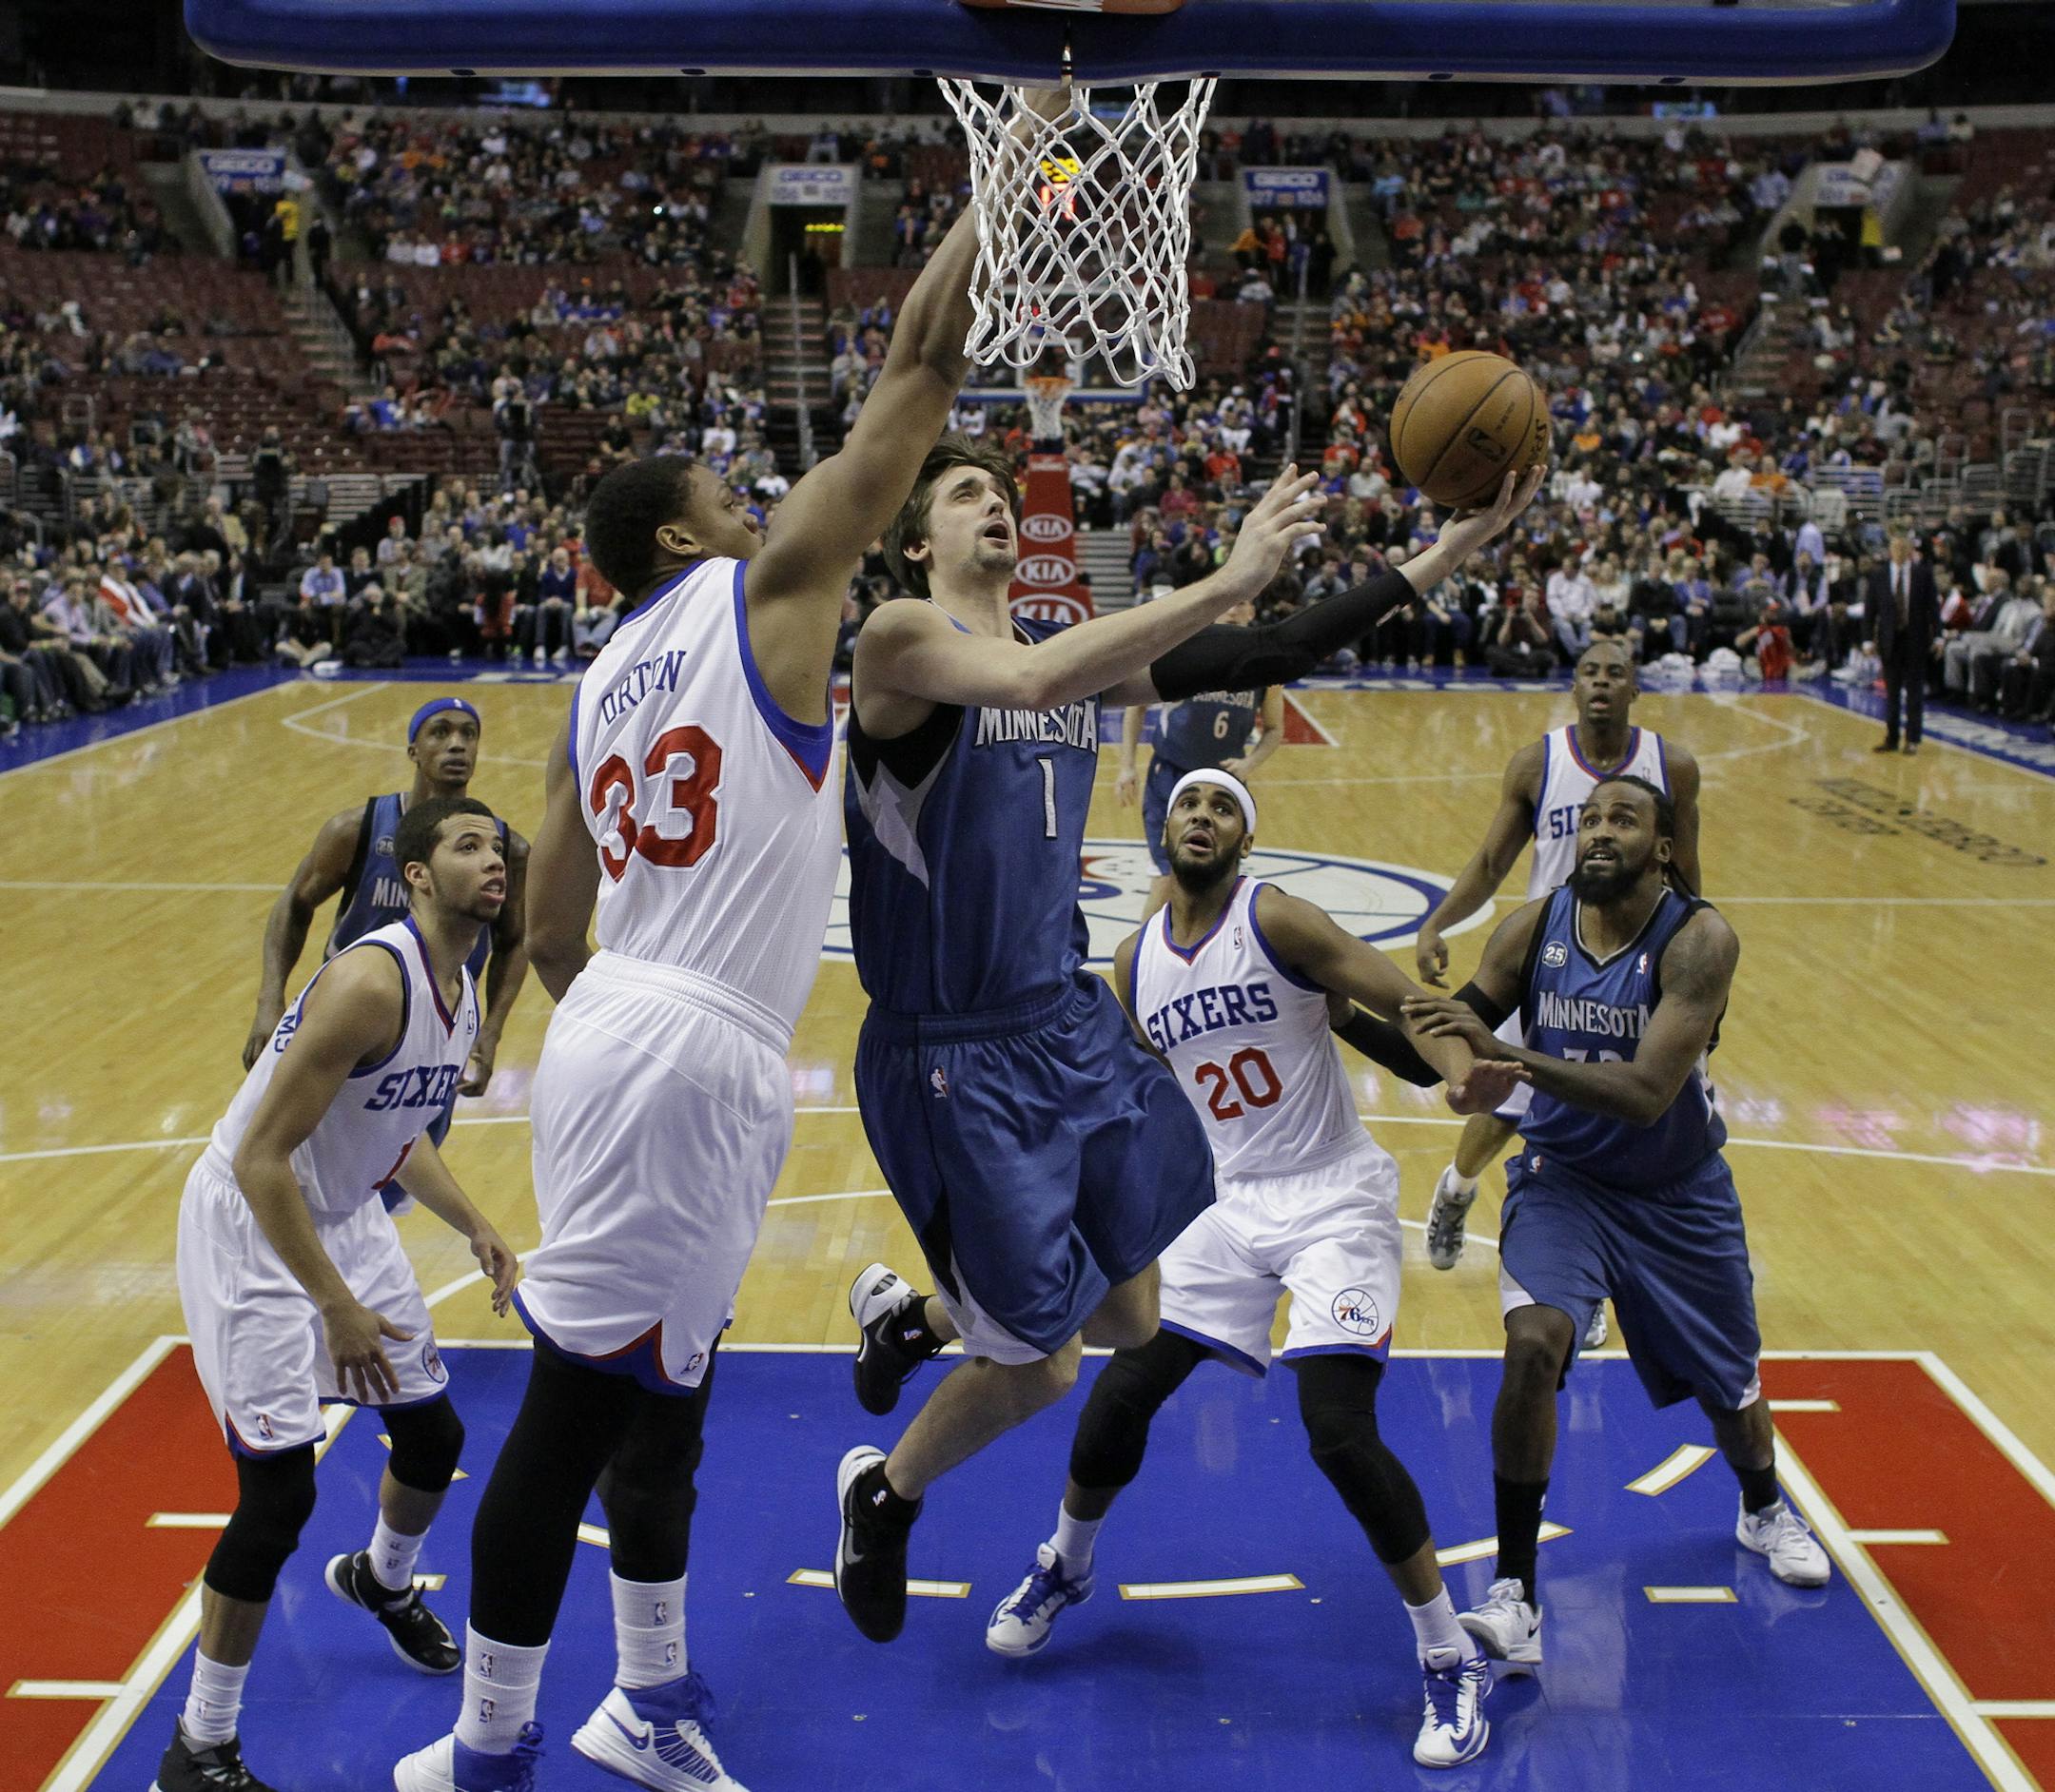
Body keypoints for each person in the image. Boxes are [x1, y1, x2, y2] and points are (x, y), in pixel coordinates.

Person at [396, 165, 1028, 1792]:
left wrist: (607, 1012)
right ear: (682, 530)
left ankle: (648, 1695)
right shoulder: (765, 590)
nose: (763, 497)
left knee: (664, 1398)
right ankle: (489, 1740)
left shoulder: (594, 680)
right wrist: (1014, 180)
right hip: (692, 1042)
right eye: (731, 488)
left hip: (632, 1021)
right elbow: (921, 374)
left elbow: (545, 929)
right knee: (569, 1412)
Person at [833, 451, 1546, 1647]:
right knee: (1051, 1367)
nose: (994, 501)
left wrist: (1450, 551)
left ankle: (917, 1322)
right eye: (962, 494)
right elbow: (1029, 673)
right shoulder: (902, 639)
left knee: (1131, 1314)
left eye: (1002, 490)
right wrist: (1225, 578)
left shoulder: (1060, 661)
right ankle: (884, 1495)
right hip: (950, 1051)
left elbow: (1262, 655)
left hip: (1059, 1022)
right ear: (916, 545)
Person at [981, 768, 1516, 1770]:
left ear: (1244, 839)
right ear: (1164, 829)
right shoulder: (1136, 963)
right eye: (1189, 803)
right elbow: (1130, 1094)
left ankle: (1449, 1656)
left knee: (1338, 1430)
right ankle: (1066, 1563)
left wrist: (1456, 1067)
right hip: (1221, 1205)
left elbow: (1405, 999)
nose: (1202, 816)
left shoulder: (1278, 919)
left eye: (1223, 807)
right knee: (1120, 1393)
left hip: (1331, 1198)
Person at [1401, 775, 1830, 1675]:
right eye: (1590, 818)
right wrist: (1360, 1016)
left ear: (1664, 847)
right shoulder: (1532, 924)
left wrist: (1509, 1058)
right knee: (1534, 1346)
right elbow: (1453, 1025)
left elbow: (1642, 1095)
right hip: (1563, 1182)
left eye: (1623, 819)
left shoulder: (1699, 939)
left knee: (1731, 1387)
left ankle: (1761, 1507)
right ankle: (1515, 1594)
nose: (1599, 831)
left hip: (1677, 1190)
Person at [160, 797, 519, 1792]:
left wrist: (476, 1223)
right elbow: (263, 1159)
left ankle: (381, 1579)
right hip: (253, 1219)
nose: (493, 861)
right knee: (278, 1496)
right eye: (467, 845)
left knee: (434, 1438)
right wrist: (333, 1304)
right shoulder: (371, 980)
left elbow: (398, 1134)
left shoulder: (463, 986)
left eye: (497, 846)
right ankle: (199, 1747)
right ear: (413, 875)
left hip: (346, 1211)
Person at [1415, 636, 1699, 1350]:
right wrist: (1438, 922)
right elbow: (1490, 861)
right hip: (1539, 962)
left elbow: (1689, 876)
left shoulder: (1673, 768)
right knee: (1506, 1102)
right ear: (1573, 686)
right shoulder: (1539, 763)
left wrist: (1695, 971)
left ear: (1636, 688)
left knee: (1617, 1116)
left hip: (1633, 962)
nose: (1602, 683)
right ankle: (1455, 1188)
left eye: (1616, 674)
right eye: (1590, 672)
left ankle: (1586, 1276)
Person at [243, 698, 529, 1212]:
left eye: (468, 733)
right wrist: (270, 1000)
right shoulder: (359, 827)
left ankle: (352, 1268)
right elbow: (294, 904)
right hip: (351, 1024)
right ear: (413, 750)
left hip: (433, 1036)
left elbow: (515, 941)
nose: (457, 744)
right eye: (440, 732)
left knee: (382, 1187)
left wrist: (488, 1036)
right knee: (297, 1164)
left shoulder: (506, 849)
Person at [1116, 593, 1282, 898]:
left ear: (1252, 612)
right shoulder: (1187, 653)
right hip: (1172, 779)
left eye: (1242, 603)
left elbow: (1274, 730)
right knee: (1169, 880)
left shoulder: (1265, 670)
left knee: (1213, 882)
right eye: (1229, 603)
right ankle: (1145, 946)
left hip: (1224, 785)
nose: (1234, 609)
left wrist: (1249, 764)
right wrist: (1127, 765)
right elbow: (1135, 706)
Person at [1866, 529, 1937, 754]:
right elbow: (1870, 610)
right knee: (1892, 692)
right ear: (1890, 550)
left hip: (1915, 639)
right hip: (1889, 640)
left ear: (1910, 550)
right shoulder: (1878, 575)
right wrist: (1867, 639)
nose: (1900, 551)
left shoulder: (1923, 574)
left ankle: (1913, 739)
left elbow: (1932, 608)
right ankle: (1892, 737)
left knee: (1914, 692)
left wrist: (1939, 635)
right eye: (1896, 547)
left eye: (1904, 547)